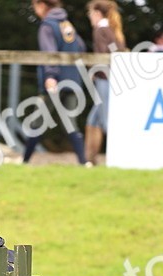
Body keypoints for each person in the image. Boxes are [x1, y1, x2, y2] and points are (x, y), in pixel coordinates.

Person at [23, 0, 88, 166]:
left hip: (55, 82)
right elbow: (80, 47)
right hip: (73, 81)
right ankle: (83, 162)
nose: (34, 9)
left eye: (35, 6)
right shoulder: (68, 25)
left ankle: (24, 162)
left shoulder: (47, 26)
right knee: (71, 124)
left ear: (43, 5)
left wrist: (50, 75)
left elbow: (49, 53)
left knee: (38, 122)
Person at [85, 0, 124, 166]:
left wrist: (94, 71)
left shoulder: (100, 30)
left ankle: (118, 157)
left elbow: (102, 56)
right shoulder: (113, 30)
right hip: (113, 78)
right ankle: (90, 160)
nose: (89, 17)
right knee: (93, 120)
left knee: (106, 120)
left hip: (104, 79)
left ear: (97, 13)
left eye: (90, 13)